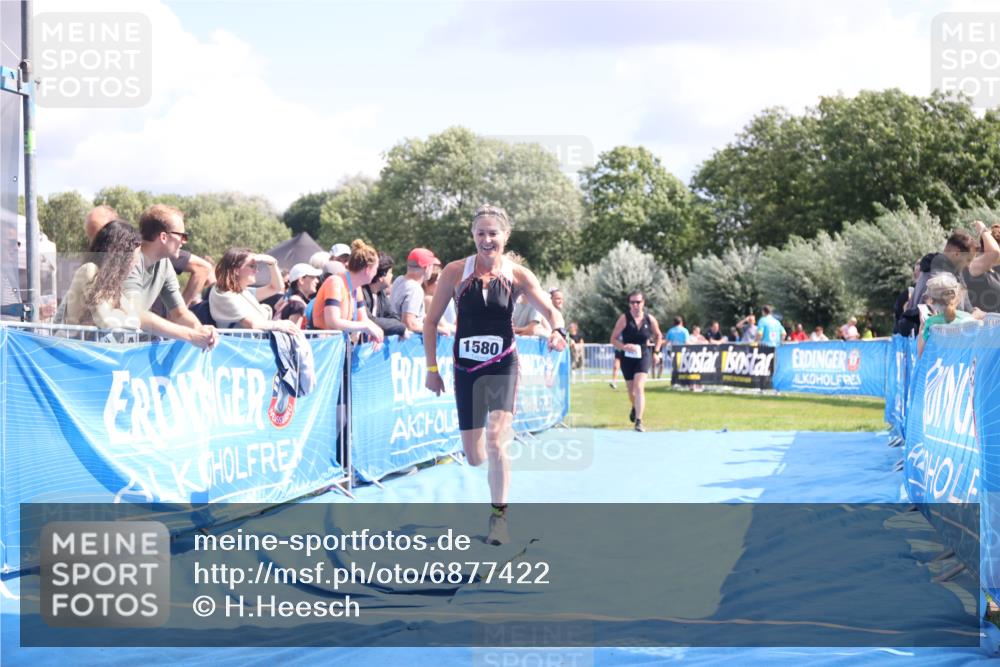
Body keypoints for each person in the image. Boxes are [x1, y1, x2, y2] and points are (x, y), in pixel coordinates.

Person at [424, 204, 566, 546]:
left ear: (505, 236)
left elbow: (550, 310)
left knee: (497, 438)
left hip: (503, 364)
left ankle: (499, 518)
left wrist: (559, 331)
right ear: (473, 236)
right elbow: (429, 322)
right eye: (480, 233)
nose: (487, 240)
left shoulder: (518, 275)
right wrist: (432, 369)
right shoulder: (456, 272)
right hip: (466, 368)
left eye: (493, 233)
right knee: (474, 457)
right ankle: (495, 468)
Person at [122, 205, 217, 350]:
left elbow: (179, 312)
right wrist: (190, 335)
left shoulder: (164, 264)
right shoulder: (130, 260)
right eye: (182, 236)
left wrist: (200, 329)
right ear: (163, 237)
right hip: (100, 348)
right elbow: (135, 313)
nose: (184, 242)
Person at [61, 220, 143, 329]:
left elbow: (136, 321)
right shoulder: (89, 270)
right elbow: (106, 321)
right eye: (134, 255)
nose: (137, 261)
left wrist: (113, 313)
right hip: (74, 344)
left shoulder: (111, 284)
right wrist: (120, 313)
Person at [312, 239, 384, 349]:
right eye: (376, 268)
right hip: (322, 348)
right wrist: (365, 327)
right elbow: (332, 322)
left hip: (335, 347)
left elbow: (363, 319)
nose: (376, 273)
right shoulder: (335, 282)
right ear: (367, 270)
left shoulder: (356, 288)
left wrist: (377, 331)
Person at [609, 292, 663, 433]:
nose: (635, 305)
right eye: (632, 302)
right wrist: (624, 346)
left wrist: (656, 352)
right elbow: (613, 339)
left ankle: (639, 421)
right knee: (631, 392)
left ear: (643, 303)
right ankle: (635, 407)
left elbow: (658, 336)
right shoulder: (624, 319)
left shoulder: (649, 319)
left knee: (639, 388)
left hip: (644, 355)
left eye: (638, 302)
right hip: (627, 357)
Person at [918, 273, 976, 356]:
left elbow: (920, 354)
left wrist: (921, 327)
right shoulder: (969, 319)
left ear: (932, 300)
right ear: (956, 297)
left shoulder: (930, 323)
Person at [391, 247, 437, 334]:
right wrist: (436, 330)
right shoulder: (415, 288)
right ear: (426, 267)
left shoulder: (399, 280)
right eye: (432, 266)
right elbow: (409, 323)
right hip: (408, 344)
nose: (433, 269)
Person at [362, 251, 407, 337]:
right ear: (381, 277)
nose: (392, 275)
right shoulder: (361, 292)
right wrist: (401, 328)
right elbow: (369, 320)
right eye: (390, 272)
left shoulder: (381, 293)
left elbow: (394, 317)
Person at [276, 262, 322, 327]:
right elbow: (294, 333)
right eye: (312, 277)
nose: (317, 281)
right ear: (301, 280)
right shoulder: (297, 304)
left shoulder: (293, 301)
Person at [424, 263, 456, 335]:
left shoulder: (436, 299)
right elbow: (443, 325)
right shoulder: (428, 299)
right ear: (426, 283)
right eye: (438, 281)